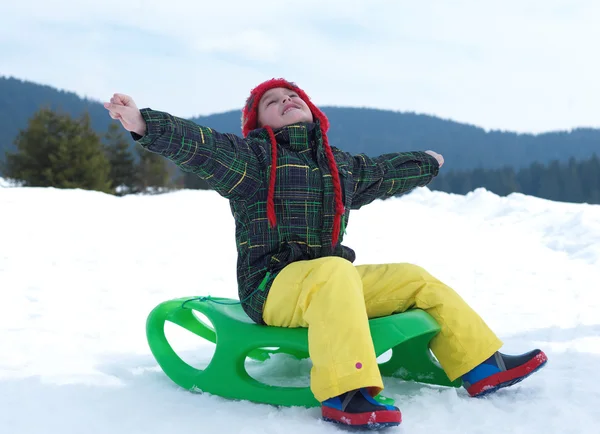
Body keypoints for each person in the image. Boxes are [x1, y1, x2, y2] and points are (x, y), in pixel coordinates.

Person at [104, 78, 547, 430]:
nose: (286, 99)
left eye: (292, 95)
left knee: (413, 277)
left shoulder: (339, 166)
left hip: (331, 286)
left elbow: (383, 172)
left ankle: (481, 364)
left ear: (312, 111)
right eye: (272, 101)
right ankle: (345, 392)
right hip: (272, 289)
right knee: (335, 271)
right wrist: (145, 123)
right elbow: (202, 145)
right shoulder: (250, 161)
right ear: (260, 124)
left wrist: (425, 163)